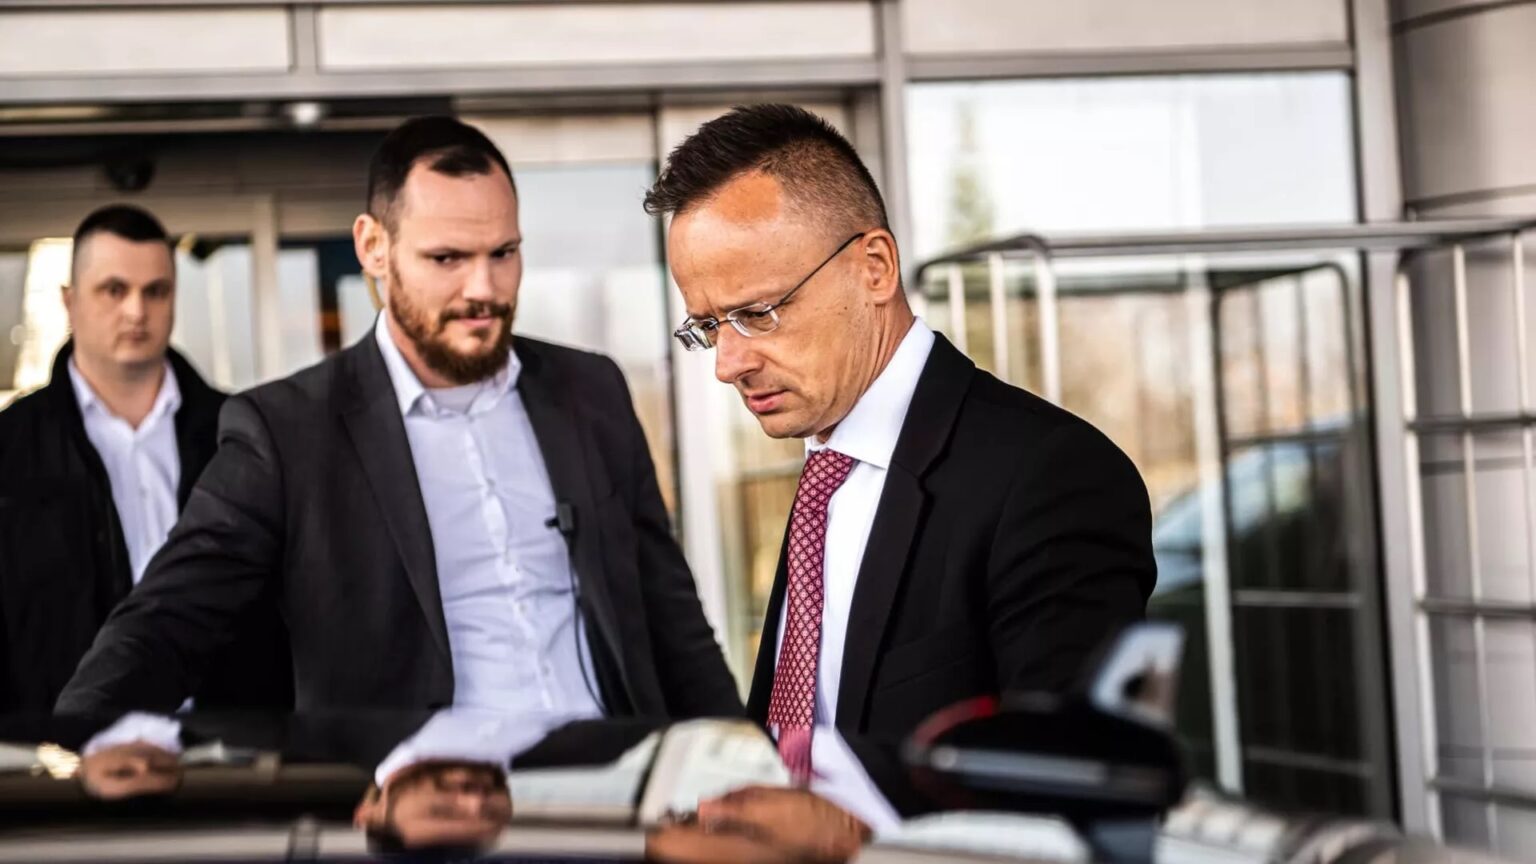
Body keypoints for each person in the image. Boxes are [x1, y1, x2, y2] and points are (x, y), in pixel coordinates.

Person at [58, 116, 740, 720]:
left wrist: (739, 762)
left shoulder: (590, 391)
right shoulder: (287, 433)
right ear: (373, 248)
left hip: (610, 789)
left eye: (503, 253)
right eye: (447, 258)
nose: (484, 288)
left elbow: (671, 615)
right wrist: (64, 760)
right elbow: (169, 621)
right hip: (422, 801)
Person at [645, 104, 1155, 768]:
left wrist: (839, 817)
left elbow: (1076, 771)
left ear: (876, 267)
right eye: (710, 326)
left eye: (758, 313)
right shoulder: (825, 473)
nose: (727, 363)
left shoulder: (1052, 477)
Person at [0, 204, 289, 711]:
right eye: (114, 290)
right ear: (69, 301)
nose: (137, 311)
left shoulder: (242, 433)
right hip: (61, 745)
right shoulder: (11, 446)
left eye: (155, 291)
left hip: (228, 741)